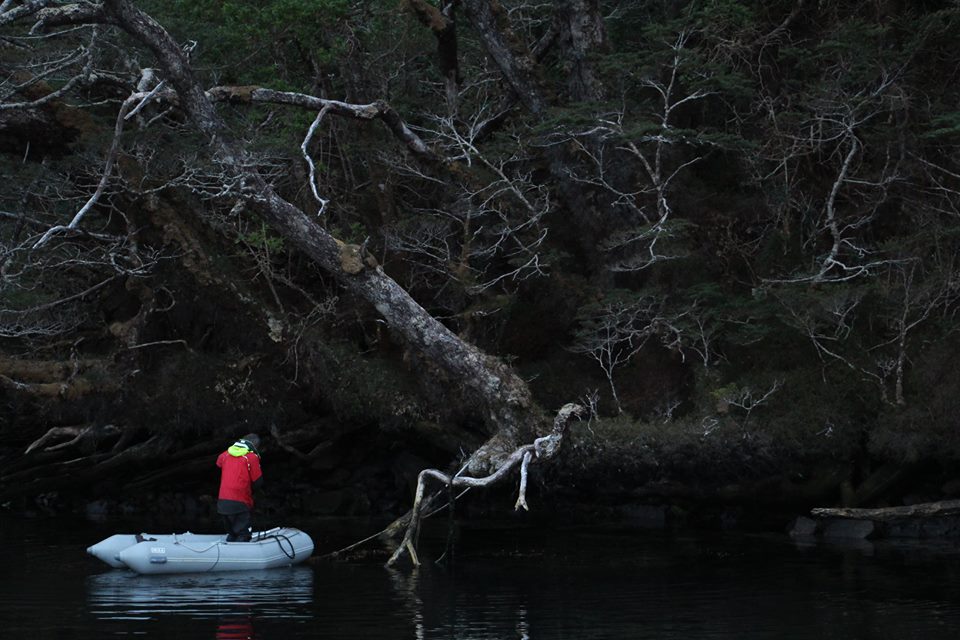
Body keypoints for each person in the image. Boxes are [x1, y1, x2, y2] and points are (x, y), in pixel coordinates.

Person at [216, 433, 263, 542]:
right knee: (243, 534)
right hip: (241, 502)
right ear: (255, 446)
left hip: (223, 503)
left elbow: (218, 463)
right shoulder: (251, 457)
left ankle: (227, 554)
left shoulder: (225, 455)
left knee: (232, 533)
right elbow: (258, 482)